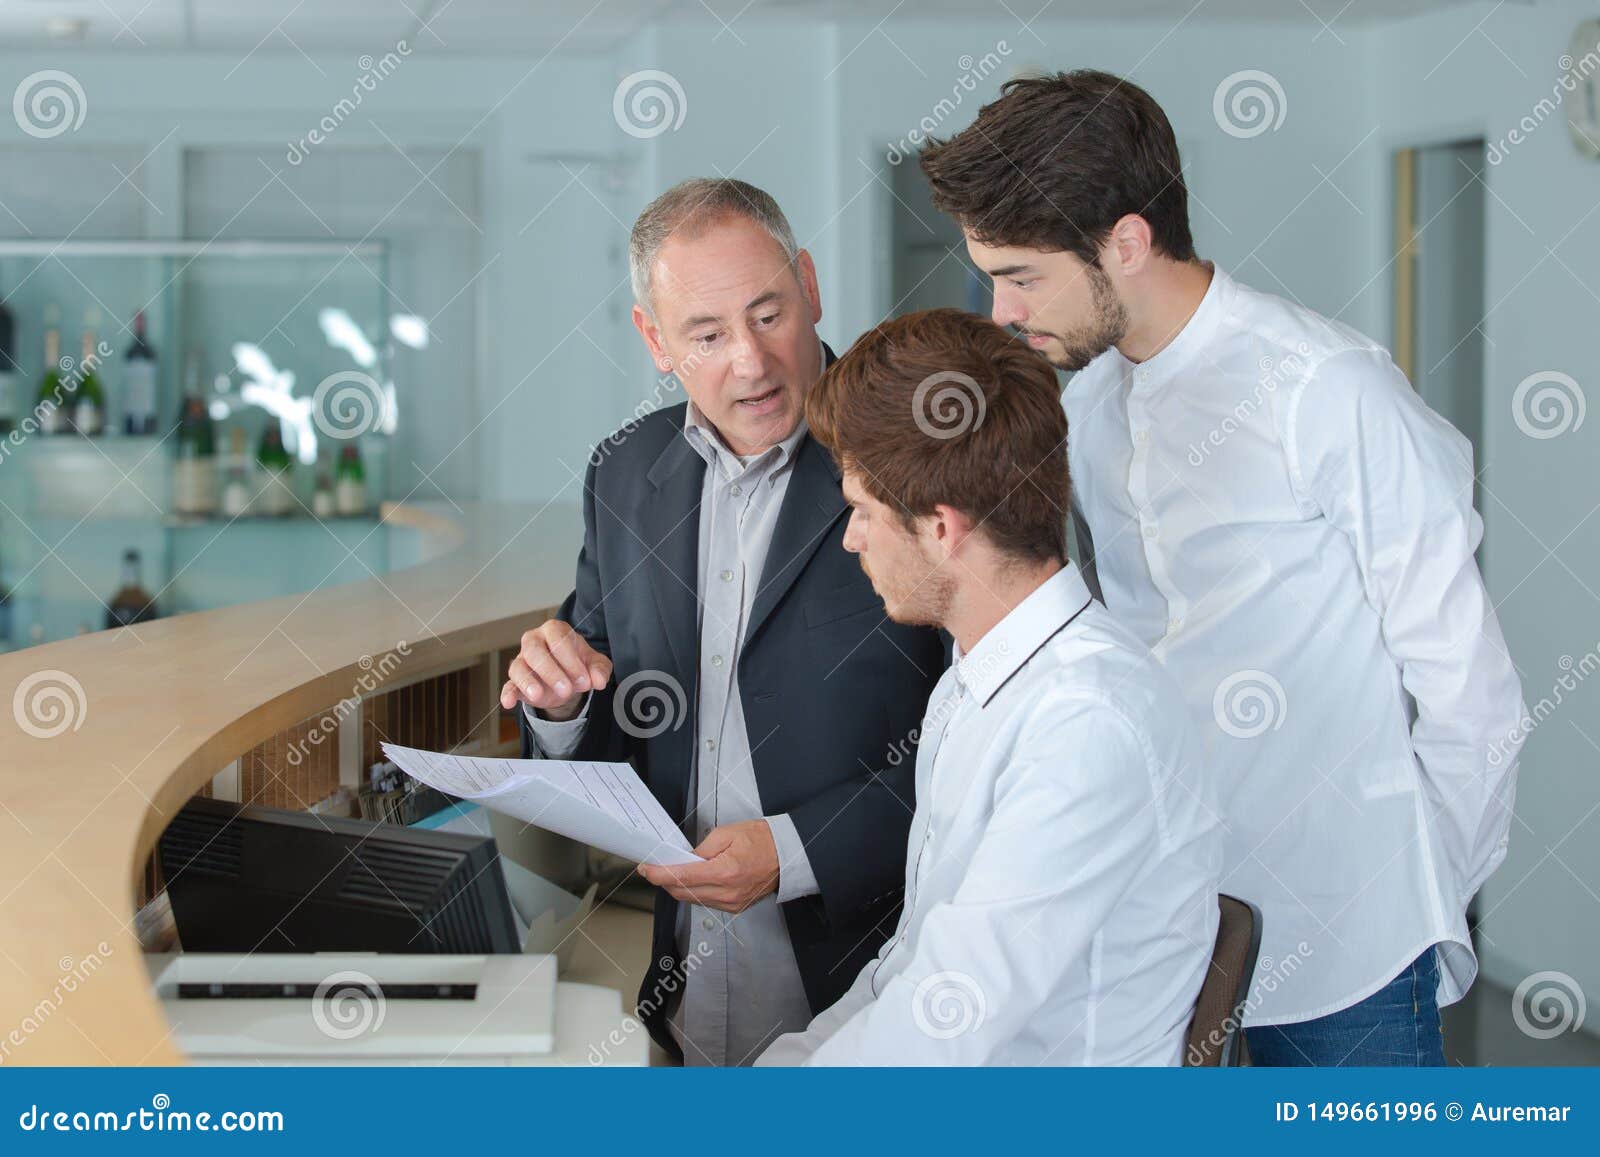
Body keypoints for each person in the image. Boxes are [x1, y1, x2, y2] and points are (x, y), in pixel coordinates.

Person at [918, 69, 1527, 1065]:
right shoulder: (1088, 402)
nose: (1000, 309)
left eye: (1021, 273)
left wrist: (1414, 907)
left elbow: (1472, 691)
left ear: (1126, 240)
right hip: (1171, 926)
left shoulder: (1327, 389)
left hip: (1350, 943)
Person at [500, 178, 945, 1066]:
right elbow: (613, 723)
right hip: (684, 1005)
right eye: (706, 335)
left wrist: (793, 851)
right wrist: (558, 709)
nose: (750, 360)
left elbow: (986, 745)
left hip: (877, 1005)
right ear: (655, 342)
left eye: (770, 313)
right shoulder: (624, 474)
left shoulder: (919, 452)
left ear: (810, 287)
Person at [757, 308, 1221, 1065]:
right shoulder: (976, 681)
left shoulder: (1087, 722)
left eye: (861, 510)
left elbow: (942, 1021)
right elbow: (907, 971)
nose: (850, 538)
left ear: (943, 528)